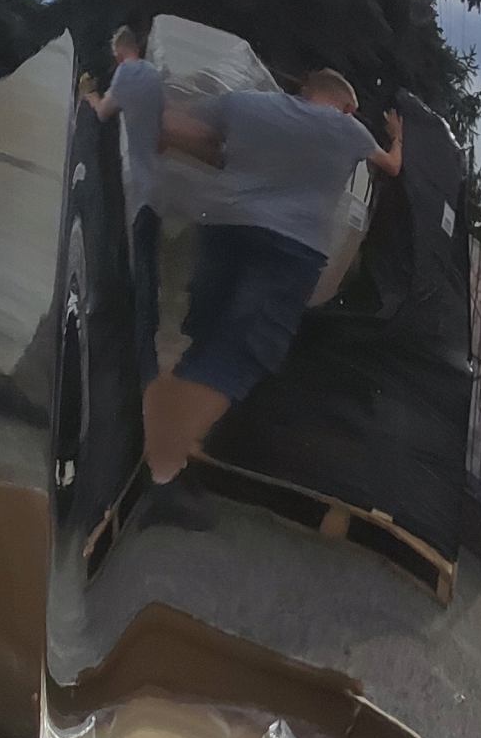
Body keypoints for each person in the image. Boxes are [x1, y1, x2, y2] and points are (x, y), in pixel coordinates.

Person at [139, 68, 403, 528]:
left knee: (205, 341)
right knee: (238, 354)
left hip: (223, 229)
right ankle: (160, 475)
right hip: (288, 250)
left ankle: (156, 446)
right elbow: (393, 166)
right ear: (346, 106)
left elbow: (180, 129)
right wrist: (397, 136)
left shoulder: (247, 103)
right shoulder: (349, 130)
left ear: (305, 90)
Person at [81, 25, 166, 386]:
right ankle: (147, 356)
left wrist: (89, 94)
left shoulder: (128, 72)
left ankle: (142, 364)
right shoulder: (155, 76)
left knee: (140, 274)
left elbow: (104, 112)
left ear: (119, 52)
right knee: (148, 270)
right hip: (157, 186)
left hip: (139, 188)